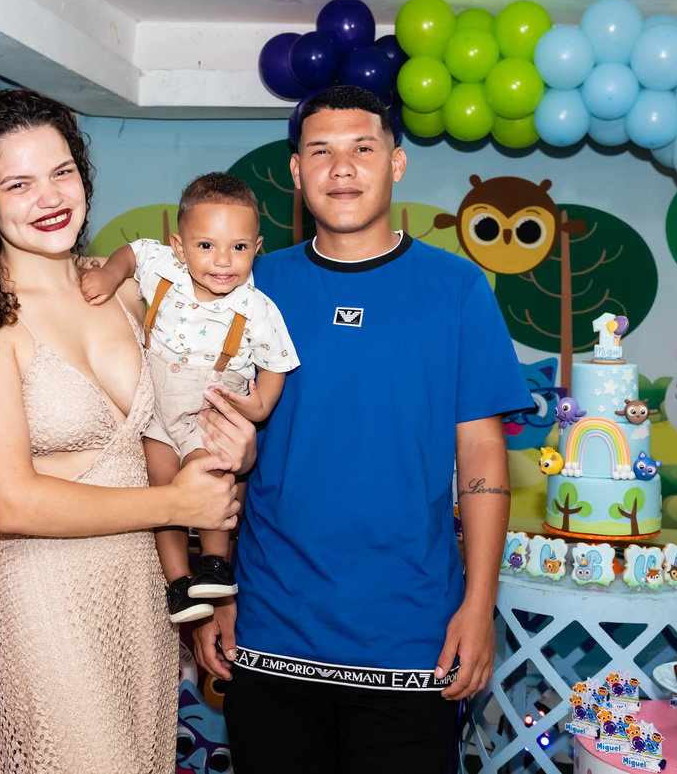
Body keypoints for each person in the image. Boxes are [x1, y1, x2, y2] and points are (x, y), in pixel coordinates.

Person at [0, 88, 257, 774]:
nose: (50, 197)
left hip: (144, 589)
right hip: (49, 598)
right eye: (18, 183)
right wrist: (175, 503)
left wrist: (237, 447)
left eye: (62, 171)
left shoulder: (128, 289)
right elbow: (11, 502)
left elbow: (194, 414)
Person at [193, 85, 534, 772]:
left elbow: (481, 456)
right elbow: (216, 443)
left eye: (362, 148)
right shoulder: (251, 288)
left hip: (411, 635)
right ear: (297, 171)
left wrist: (480, 605)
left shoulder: (457, 289)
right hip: (271, 627)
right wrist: (215, 589)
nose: (342, 168)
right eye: (320, 151)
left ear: (396, 163)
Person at [80, 172, 298, 623]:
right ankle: (178, 582)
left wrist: (260, 406)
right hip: (158, 412)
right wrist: (109, 274)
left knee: (210, 476)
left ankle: (215, 564)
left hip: (209, 411)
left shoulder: (257, 309)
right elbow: (131, 253)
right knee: (164, 492)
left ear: (257, 248)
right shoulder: (163, 268)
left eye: (239, 247)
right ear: (179, 247)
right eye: (206, 245)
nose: (223, 260)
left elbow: (276, 363)